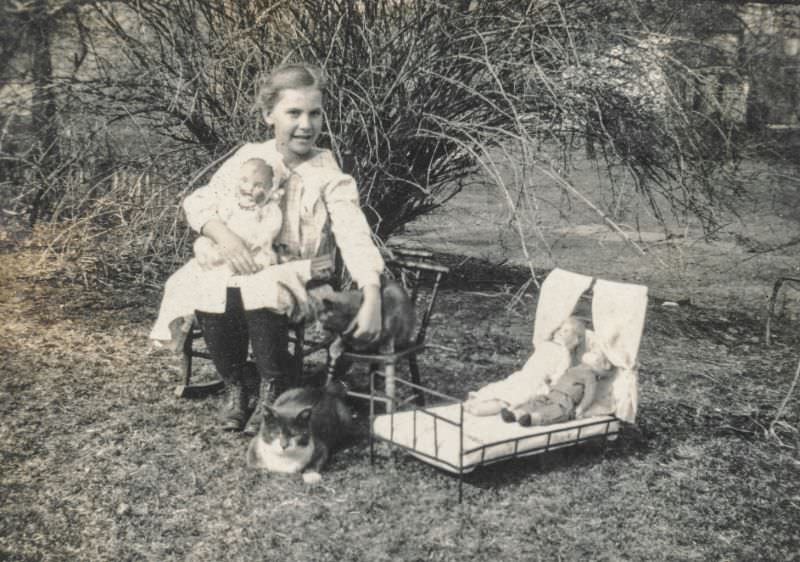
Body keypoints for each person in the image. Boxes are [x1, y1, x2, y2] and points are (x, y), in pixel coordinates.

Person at [150, 63, 385, 434]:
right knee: (201, 283)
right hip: (246, 263)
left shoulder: (328, 173)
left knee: (264, 288)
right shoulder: (250, 157)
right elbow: (200, 202)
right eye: (294, 113)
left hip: (302, 274)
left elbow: (354, 233)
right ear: (268, 115)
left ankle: (272, 386)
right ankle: (236, 383)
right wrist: (224, 236)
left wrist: (371, 290)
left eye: (315, 113)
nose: (305, 124)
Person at [463, 316, 586, 417]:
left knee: (513, 396)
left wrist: (551, 387)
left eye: (566, 331)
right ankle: (476, 401)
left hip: (536, 381)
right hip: (523, 375)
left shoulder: (564, 354)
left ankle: (482, 409)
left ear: (575, 338)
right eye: (560, 328)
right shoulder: (546, 344)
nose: (560, 332)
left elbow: (559, 375)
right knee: (501, 387)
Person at [499, 343, 613, 426]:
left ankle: (525, 415)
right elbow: (588, 394)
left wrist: (581, 408)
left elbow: (587, 393)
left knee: (547, 406)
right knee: (549, 406)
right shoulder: (584, 373)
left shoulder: (582, 372)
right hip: (560, 396)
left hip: (559, 395)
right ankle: (527, 416)